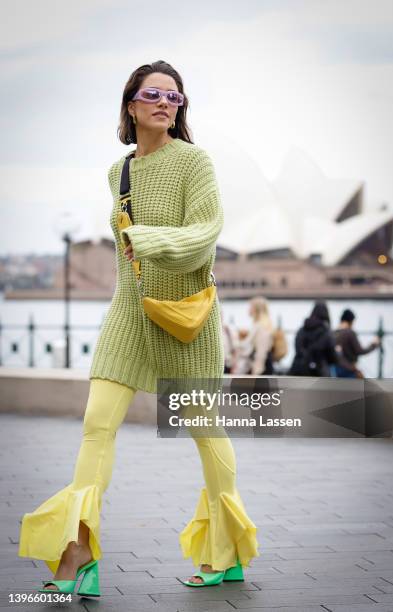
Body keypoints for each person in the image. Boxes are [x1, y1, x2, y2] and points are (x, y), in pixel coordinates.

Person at [18, 61, 259, 593]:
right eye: (152, 94)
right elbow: (126, 260)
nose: (164, 103)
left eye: (174, 98)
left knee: (205, 433)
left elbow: (205, 232)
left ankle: (227, 551)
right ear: (131, 104)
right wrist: (138, 253)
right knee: (96, 425)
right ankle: (79, 554)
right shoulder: (117, 171)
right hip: (129, 313)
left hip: (186, 317)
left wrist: (148, 240)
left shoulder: (195, 162)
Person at [289, 301, 338, 377]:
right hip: (320, 374)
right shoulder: (326, 332)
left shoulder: (301, 330)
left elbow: (298, 350)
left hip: (298, 371)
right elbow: (333, 357)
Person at [233, 297, 275, 375]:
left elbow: (261, 352)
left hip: (261, 369)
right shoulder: (259, 325)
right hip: (261, 366)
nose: (248, 309)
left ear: (256, 309)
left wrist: (256, 373)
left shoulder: (261, 326)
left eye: (250, 307)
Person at [334, 309, 380, 378]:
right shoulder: (350, 333)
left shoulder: (333, 333)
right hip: (348, 370)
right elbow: (360, 351)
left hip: (334, 370)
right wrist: (374, 344)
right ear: (351, 321)